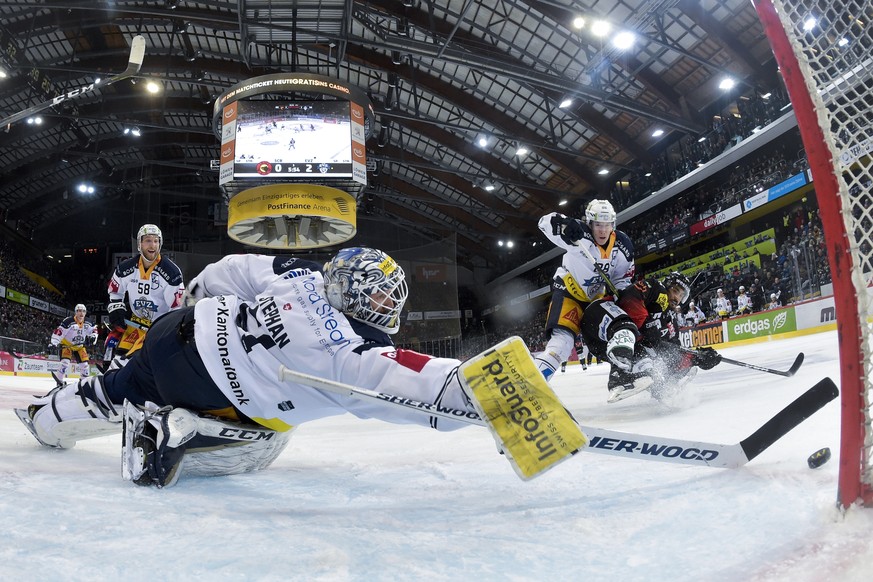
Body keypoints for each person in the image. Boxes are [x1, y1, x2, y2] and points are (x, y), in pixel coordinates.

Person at [17, 248, 489, 488]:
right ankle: (183, 431)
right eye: (382, 295)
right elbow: (417, 386)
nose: (388, 307)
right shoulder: (351, 355)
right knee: (274, 437)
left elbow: (234, 269)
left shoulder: (299, 274)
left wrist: (195, 295)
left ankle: (47, 419)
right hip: (206, 389)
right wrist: (484, 392)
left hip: (173, 334)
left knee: (117, 388)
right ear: (355, 291)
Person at [578, 272, 721, 402]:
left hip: (602, 346)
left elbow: (672, 352)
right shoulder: (656, 288)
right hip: (598, 318)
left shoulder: (670, 322)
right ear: (668, 285)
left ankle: (661, 390)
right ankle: (619, 378)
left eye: (681, 296)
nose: (677, 298)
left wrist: (697, 358)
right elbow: (631, 297)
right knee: (628, 329)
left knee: (650, 363)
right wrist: (645, 325)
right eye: (676, 291)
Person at [535, 199, 635, 380]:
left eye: (607, 225)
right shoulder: (577, 233)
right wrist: (564, 224)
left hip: (596, 302)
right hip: (568, 293)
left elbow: (622, 279)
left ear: (613, 224)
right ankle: (536, 379)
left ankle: (629, 371)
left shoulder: (623, 246)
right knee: (562, 344)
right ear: (590, 223)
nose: (603, 230)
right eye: (598, 224)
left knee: (619, 330)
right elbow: (544, 223)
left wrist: (620, 294)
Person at [104, 224, 185, 369]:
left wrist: (166, 331)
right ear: (139, 244)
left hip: (157, 327)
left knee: (128, 364)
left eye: (156, 241)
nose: (152, 245)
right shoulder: (125, 268)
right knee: (117, 360)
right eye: (147, 240)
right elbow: (115, 291)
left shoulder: (171, 273)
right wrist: (116, 308)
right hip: (135, 324)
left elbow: (176, 308)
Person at [49, 304, 99, 387]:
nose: (81, 313)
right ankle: (59, 382)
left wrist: (93, 337)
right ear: (76, 312)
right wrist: (54, 343)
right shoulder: (68, 321)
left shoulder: (89, 322)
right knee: (65, 363)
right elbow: (59, 332)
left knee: (85, 365)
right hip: (67, 345)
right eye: (79, 311)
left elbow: (94, 330)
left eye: (83, 311)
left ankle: (84, 383)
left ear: (85, 313)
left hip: (79, 347)